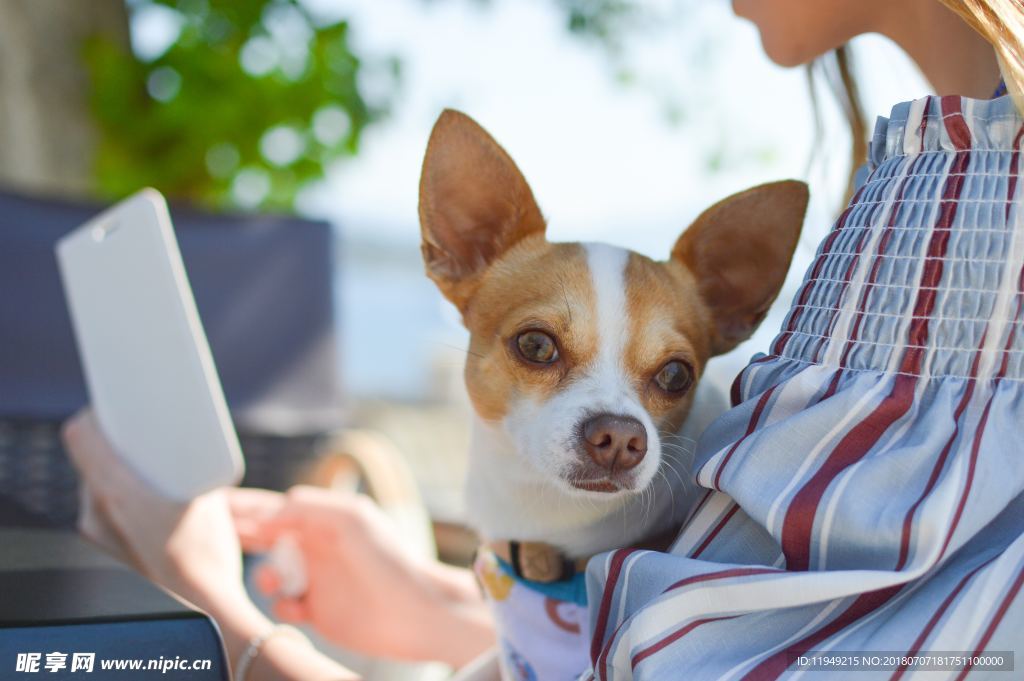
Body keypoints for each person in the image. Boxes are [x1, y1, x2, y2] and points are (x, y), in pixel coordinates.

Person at [63, 0, 1024, 679]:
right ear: (458, 258)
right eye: (540, 347)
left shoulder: (986, 223)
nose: (619, 426)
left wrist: (208, 621)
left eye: (670, 378)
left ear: (727, 320)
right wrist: (459, 604)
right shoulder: (920, 187)